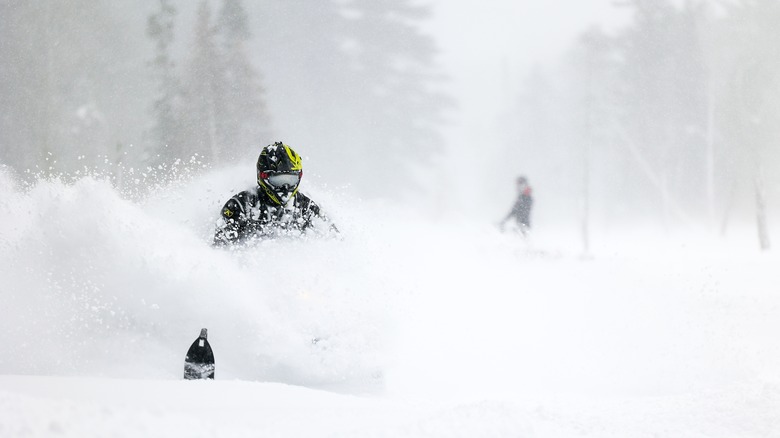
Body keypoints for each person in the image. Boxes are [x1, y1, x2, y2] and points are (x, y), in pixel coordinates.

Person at [213, 141, 336, 246]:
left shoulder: (306, 207)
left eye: (291, 180)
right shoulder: (241, 205)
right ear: (263, 176)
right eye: (278, 180)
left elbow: (334, 242)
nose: (285, 188)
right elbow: (219, 249)